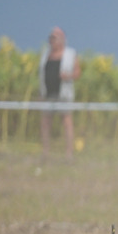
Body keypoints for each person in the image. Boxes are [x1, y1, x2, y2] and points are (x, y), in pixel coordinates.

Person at [39, 27, 81, 161]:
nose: (51, 41)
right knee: (45, 122)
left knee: (67, 122)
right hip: (48, 94)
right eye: (50, 38)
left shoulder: (70, 54)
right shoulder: (46, 54)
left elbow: (77, 72)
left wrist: (67, 76)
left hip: (64, 94)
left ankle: (69, 154)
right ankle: (45, 153)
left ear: (62, 40)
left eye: (54, 38)